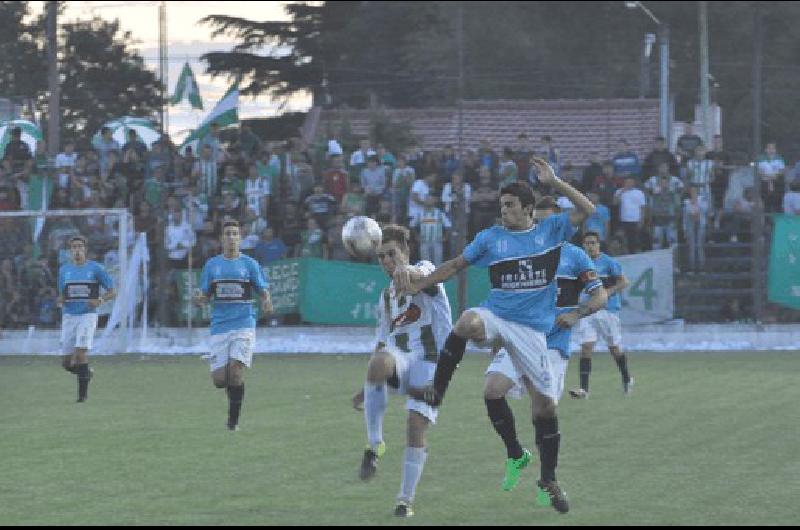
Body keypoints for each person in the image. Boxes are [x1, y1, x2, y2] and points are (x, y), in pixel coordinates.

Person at [394, 157, 597, 513]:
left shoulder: (551, 232)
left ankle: (548, 478)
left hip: (533, 332)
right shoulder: (491, 238)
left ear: (529, 209)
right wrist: (420, 284)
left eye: (510, 206)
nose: (503, 212)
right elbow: (456, 265)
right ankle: (438, 390)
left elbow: (587, 208)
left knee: (545, 407)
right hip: (498, 316)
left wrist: (554, 180)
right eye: (501, 205)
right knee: (468, 322)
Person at [483, 198, 606, 504]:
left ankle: (547, 479)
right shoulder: (521, 253)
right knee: (492, 390)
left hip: (553, 344)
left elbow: (600, 294)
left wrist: (577, 314)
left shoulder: (576, 257)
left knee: (545, 409)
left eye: (552, 223)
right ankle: (516, 454)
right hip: (520, 337)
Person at [350, 225, 452, 518]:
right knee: (379, 361)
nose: (386, 261)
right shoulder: (386, 297)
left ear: (406, 252)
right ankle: (374, 445)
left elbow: (423, 278)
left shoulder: (427, 270)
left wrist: (410, 275)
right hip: (402, 358)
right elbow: (382, 341)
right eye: (381, 256)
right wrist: (368, 384)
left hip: (433, 362)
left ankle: (405, 500)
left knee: (415, 424)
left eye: (392, 254)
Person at [195, 220, 272, 431]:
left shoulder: (249, 264)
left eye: (234, 234)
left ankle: (233, 421)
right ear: (221, 238)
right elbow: (204, 292)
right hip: (220, 325)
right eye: (227, 233)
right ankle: (232, 400)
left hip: (244, 323)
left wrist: (266, 299)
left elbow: (262, 287)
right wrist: (200, 298)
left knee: (236, 372)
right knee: (220, 380)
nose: (231, 237)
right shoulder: (212, 265)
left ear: (240, 238)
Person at [570, 231, 633, 399]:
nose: (590, 246)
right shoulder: (580, 264)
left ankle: (626, 377)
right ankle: (584, 390)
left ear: (598, 245)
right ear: (583, 246)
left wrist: (607, 293)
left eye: (593, 243)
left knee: (614, 349)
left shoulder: (609, 262)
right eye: (587, 243)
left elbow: (624, 282)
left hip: (607, 310)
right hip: (588, 310)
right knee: (586, 348)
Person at [57, 235, 116, 403]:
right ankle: (86, 373)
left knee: (81, 351)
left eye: (79, 247)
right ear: (70, 251)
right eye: (74, 247)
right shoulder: (64, 270)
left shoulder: (96, 268)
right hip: (69, 316)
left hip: (87, 315)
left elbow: (112, 290)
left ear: (85, 249)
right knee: (67, 362)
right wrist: (60, 300)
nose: (77, 250)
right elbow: (63, 293)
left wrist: (101, 300)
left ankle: (82, 397)